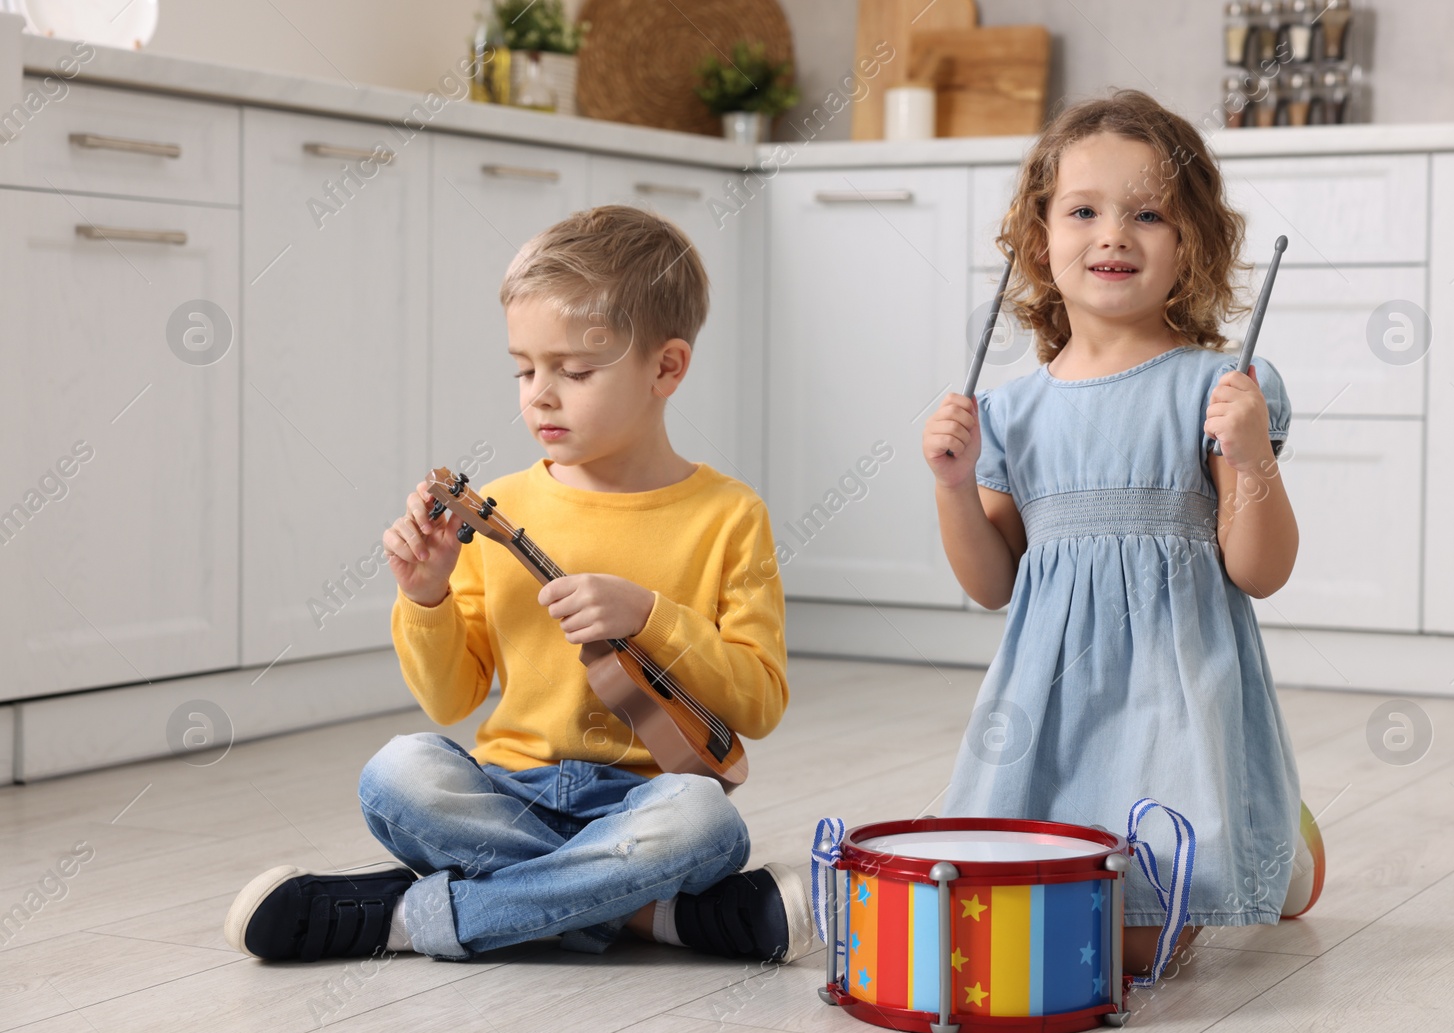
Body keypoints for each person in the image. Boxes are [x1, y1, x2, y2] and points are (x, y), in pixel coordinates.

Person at [224, 205, 813, 966]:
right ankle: (653, 913)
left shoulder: (730, 515)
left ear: (666, 368)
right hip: (507, 794)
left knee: (705, 820)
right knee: (398, 770)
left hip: (645, 799)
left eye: (575, 371)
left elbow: (758, 702)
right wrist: (426, 596)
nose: (540, 394)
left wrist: (652, 614)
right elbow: (450, 700)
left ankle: (402, 919)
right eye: (525, 368)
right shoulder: (499, 512)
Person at [922, 89, 1325, 981]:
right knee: (997, 900)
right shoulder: (1012, 411)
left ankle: (1269, 843)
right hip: (1047, 710)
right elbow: (992, 581)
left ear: (1192, 249)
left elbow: (1260, 570)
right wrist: (954, 486)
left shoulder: (1216, 387)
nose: (1114, 234)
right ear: (1040, 240)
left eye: (1149, 214)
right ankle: (1270, 837)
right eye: (1084, 211)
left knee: (1130, 939)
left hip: (1173, 702)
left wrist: (1251, 450)